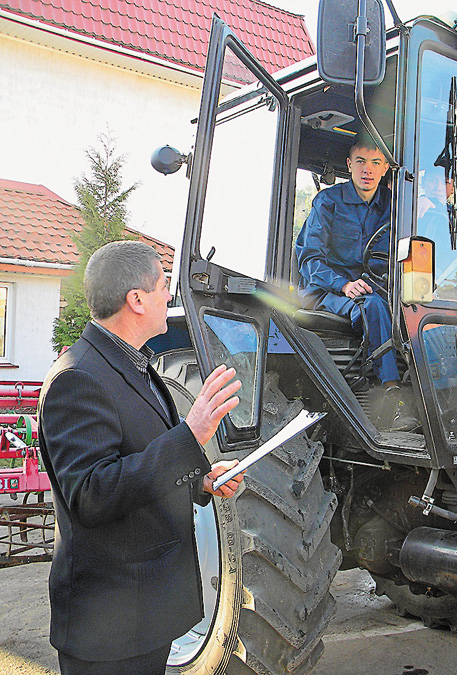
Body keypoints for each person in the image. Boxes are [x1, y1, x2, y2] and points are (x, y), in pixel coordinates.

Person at [38, 240, 245, 675]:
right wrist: (192, 435)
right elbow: (93, 494)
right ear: (136, 299)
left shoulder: (136, 365)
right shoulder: (78, 378)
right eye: (163, 285)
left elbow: (142, 457)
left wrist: (201, 481)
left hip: (144, 614)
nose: (169, 294)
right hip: (109, 628)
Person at [296, 135, 417, 431]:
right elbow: (309, 261)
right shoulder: (329, 202)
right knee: (372, 305)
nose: (368, 169)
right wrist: (343, 285)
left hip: (375, 286)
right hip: (325, 291)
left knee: (418, 307)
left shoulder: (394, 206)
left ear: (386, 168)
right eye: (361, 161)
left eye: (376, 162)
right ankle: (392, 394)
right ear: (349, 165)